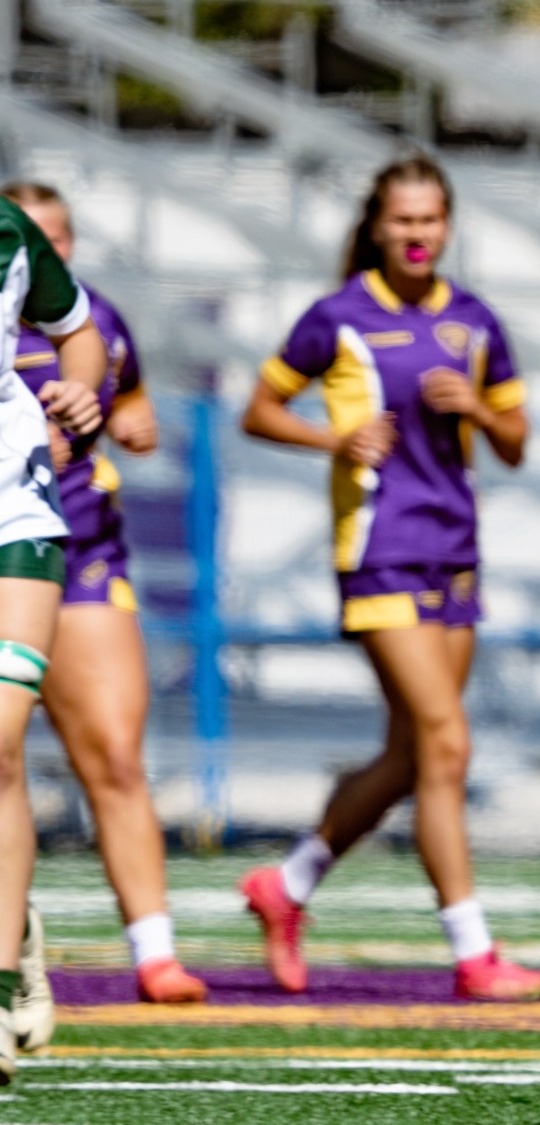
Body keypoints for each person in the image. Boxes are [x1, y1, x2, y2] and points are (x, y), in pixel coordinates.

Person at [237, 156, 540, 1002]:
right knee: (446, 743)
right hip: (378, 550)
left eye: (430, 221)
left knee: (417, 753)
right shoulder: (338, 316)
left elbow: (517, 442)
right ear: (378, 226)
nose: (417, 236)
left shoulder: (475, 321)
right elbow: (259, 409)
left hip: (455, 551)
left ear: (448, 227)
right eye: (402, 221)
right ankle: (475, 954)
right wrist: (332, 441)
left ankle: (287, 884)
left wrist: (478, 410)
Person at [1, 183, 207, 1021]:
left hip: (35, 529)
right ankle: (13, 923)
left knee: (72, 751)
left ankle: (143, 952)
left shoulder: (15, 246)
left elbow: (100, 365)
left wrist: (94, 404)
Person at [0, 193, 108, 1082]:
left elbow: (81, 334)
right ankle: (16, 918)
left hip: (14, 513)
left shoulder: (10, 234)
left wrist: (84, 387)